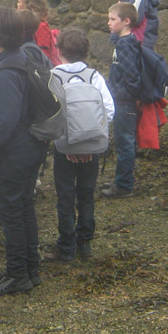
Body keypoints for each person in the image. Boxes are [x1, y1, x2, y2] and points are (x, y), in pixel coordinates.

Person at [0, 7, 47, 294]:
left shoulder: (7, 70)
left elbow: (6, 118)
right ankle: (31, 269)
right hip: (32, 144)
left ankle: (17, 273)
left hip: (14, 150)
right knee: (24, 206)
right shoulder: (21, 57)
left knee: (11, 211)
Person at [43, 29, 114, 261]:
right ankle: (85, 245)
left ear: (59, 50)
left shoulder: (53, 76)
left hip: (64, 148)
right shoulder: (94, 76)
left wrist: (68, 141)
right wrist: (87, 139)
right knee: (86, 195)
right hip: (92, 148)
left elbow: (49, 114)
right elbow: (109, 110)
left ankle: (66, 248)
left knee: (65, 198)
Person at [104, 2, 142, 198]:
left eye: (113, 19)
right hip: (122, 99)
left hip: (125, 102)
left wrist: (132, 96)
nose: (109, 23)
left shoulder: (125, 45)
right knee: (123, 142)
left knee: (125, 143)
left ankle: (123, 185)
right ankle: (121, 179)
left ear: (126, 21)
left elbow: (132, 75)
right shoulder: (124, 41)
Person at [17, 0, 61, 65]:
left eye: (19, 2)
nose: (17, 4)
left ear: (27, 5)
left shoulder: (41, 26)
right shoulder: (25, 22)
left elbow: (44, 52)